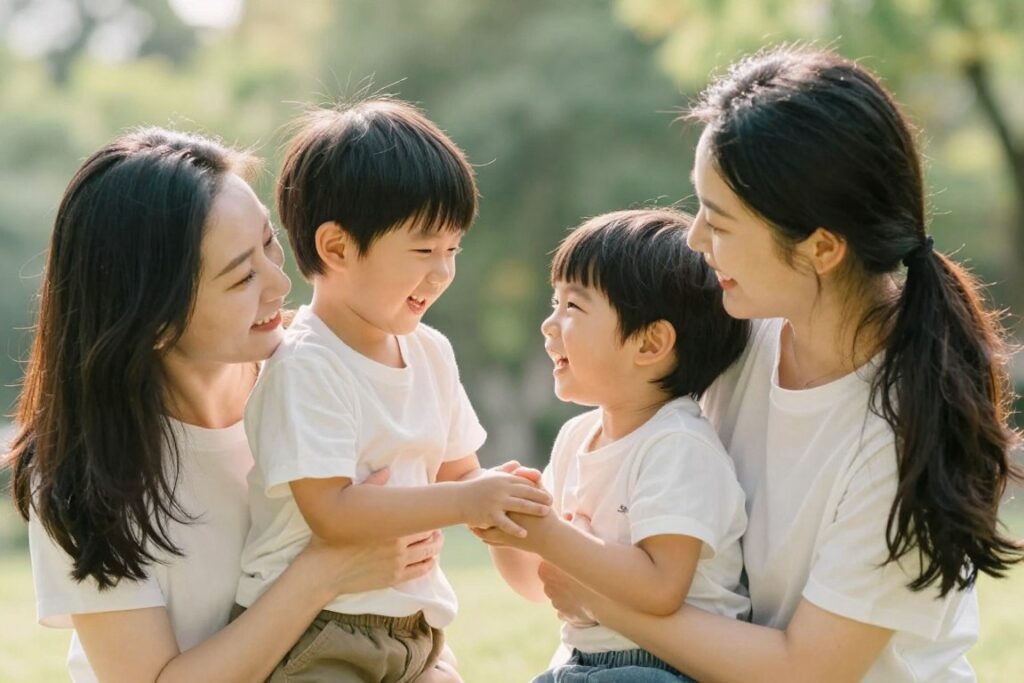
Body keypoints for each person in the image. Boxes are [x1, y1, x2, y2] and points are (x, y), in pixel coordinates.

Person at [533, 47, 1023, 682]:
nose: (694, 240)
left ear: (821, 247)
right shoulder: (738, 331)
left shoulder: (906, 432)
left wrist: (602, 600)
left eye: (721, 221)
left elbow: (804, 670)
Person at [7, 128, 452, 683]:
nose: (280, 282)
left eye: (269, 244)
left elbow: (393, 611)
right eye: (242, 276)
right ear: (153, 321)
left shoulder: (320, 381)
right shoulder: (85, 479)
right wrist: (325, 568)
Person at [235, 99, 552, 682]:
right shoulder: (306, 364)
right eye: (424, 250)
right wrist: (464, 502)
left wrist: (497, 491)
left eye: (453, 249)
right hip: (315, 633)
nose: (442, 272)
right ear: (336, 248)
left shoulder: (431, 351)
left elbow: (457, 474)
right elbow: (332, 512)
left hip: (413, 631)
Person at [479, 209, 751, 683]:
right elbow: (543, 583)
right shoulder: (574, 439)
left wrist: (547, 533)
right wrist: (505, 532)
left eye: (573, 308)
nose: (549, 325)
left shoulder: (678, 446)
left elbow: (659, 588)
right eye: (554, 301)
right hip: (582, 664)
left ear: (649, 344)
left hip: (667, 669)